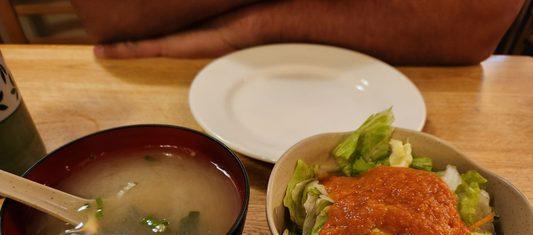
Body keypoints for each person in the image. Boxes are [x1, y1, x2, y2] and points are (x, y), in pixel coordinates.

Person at [71, 0, 524, 65]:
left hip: (430, 85)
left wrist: (260, 25)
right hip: (173, 74)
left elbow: (469, 25)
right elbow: (111, 13)